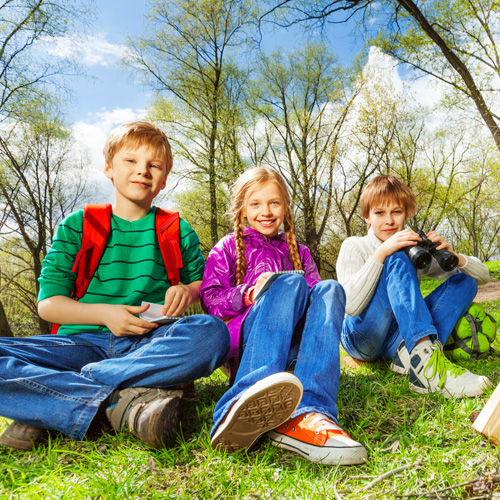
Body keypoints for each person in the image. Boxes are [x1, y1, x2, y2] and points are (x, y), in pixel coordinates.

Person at [0, 122, 229, 451]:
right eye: (131, 161)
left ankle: (65, 397)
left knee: (211, 333)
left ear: (164, 180)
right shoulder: (77, 226)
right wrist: (104, 314)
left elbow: (203, 285)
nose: (142, 171)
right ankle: (121, 404)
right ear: (109, 168)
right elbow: (49, 304)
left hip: (149, 343)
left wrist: (187, 290)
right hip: (78, 344)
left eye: (154, 165)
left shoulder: (176, 229)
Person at [200, 167, 367, 466]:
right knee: (289, 282)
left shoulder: (299, 251)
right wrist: (247, 294)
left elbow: (319, 306)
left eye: (274, 203)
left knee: (330, 288)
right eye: (255, 204)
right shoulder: (227, 247)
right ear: (241, 209)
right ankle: (243, 397)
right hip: (251, 344)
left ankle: (312, 408)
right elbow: (210, 299)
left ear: (286, 207)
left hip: (295, 344)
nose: (266, 211)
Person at [336, 175, 492, 399]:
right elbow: (351, 306)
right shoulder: (354, 245)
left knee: (464, 281)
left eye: (396, 212)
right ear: (367, 217)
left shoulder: (412, 248)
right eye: (380, 213)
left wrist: (453, 256)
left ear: (406, 215)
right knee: (397, 259)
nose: (389, 220)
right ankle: (426, 368)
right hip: (361, 336)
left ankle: (414, 355)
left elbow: (482, 277)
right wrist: (383, 253)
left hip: (398, 338)